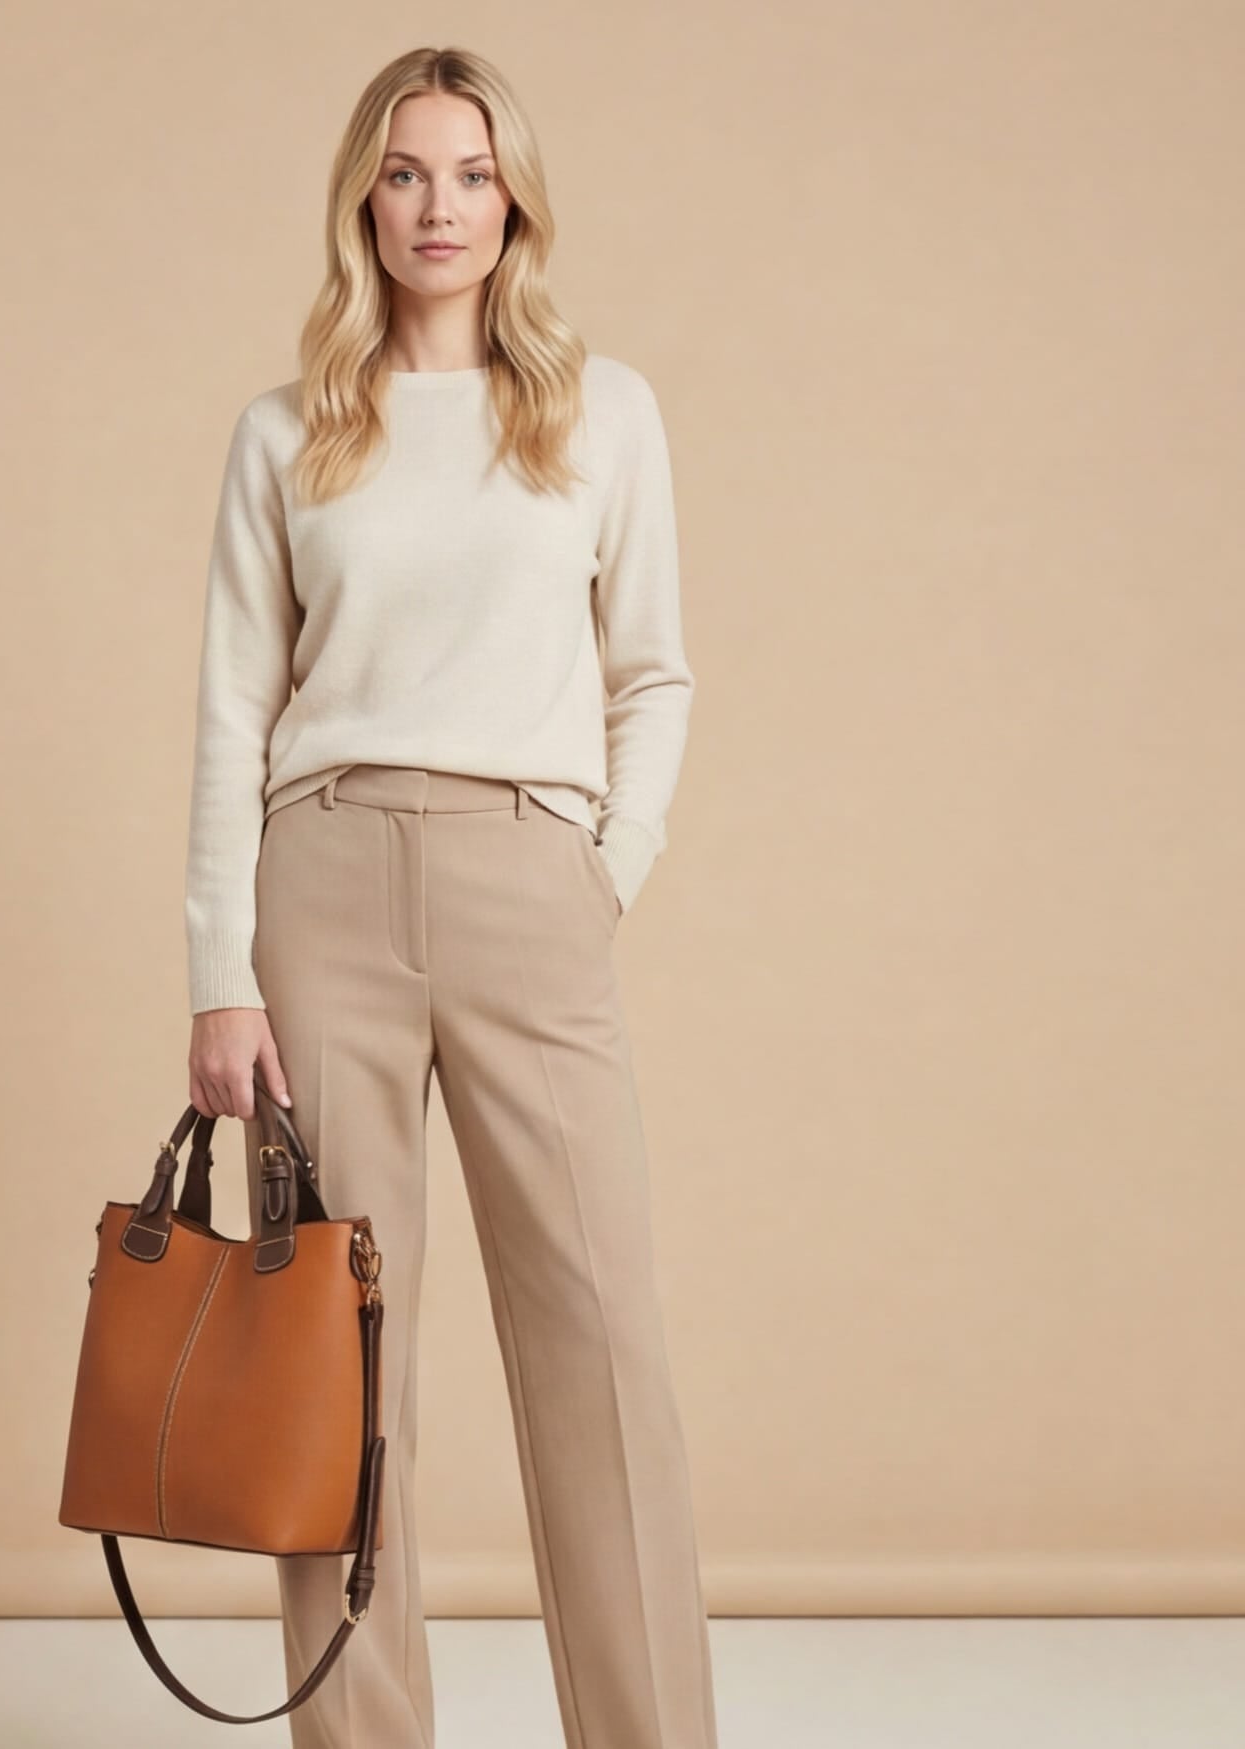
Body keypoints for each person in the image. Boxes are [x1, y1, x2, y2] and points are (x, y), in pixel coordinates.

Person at [183, 44, 719, 1749]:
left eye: (473, 174)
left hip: (526, 880)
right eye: (408, 173)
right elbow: (231, 713)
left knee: (600, 1339)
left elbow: (656, 674)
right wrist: (220, 972)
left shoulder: (600, 412)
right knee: (333, 1369)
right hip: (324, 887)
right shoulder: (288, 432)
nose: (441, 206)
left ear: (516, 202)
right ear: (366, 198)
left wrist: (601, 870)